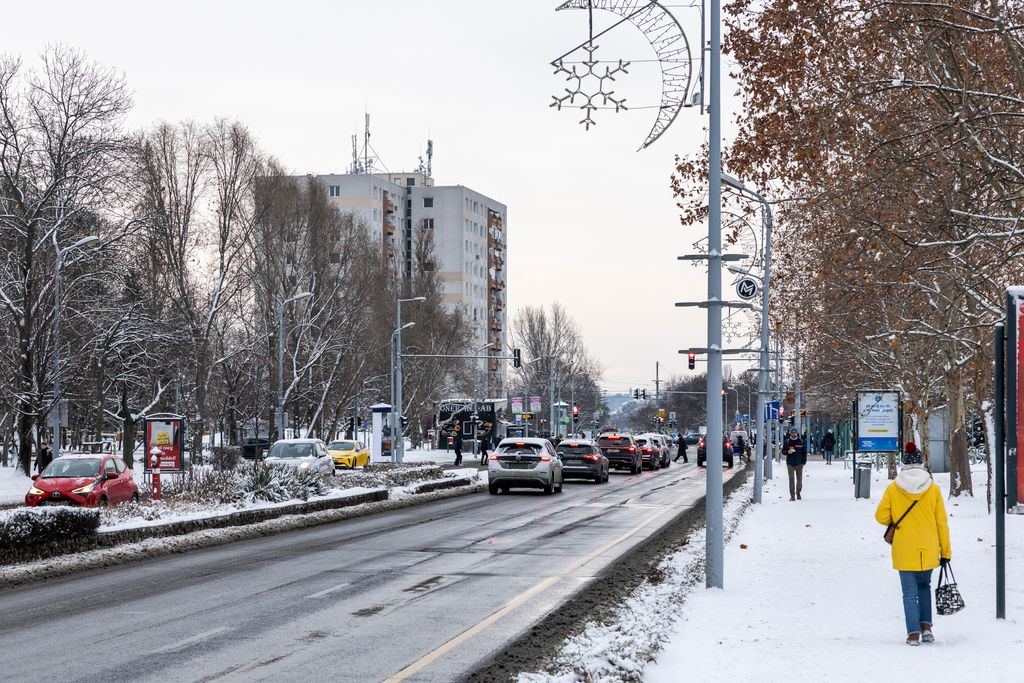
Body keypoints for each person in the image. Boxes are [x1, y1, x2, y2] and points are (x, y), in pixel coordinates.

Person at [874, 442, 951, 646]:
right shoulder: (933, 489)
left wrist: (895, 518)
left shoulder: (894, 488)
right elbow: (941, 522)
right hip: (928, 547)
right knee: (924, 586)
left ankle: (913, 634)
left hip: (904, 547)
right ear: (921, 463)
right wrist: (946, 551)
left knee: (909, 592)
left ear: (904, 465)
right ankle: (927, 628)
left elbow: (880, 516)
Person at [784, 427, 806, 501]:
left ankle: (798, 492)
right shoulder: (787, 441)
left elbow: (804, 452)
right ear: (790, 433)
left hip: (799, 463)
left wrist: (803, 462)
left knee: (799, 479)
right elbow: (783, 451)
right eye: (792, 433)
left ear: (797, 433)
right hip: (790, 463)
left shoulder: (801, 441)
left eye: (795, 433)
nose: (794, 434)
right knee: (791, 479)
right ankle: (792, 496)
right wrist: (788, 452)